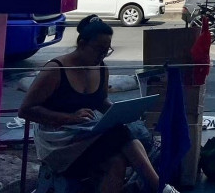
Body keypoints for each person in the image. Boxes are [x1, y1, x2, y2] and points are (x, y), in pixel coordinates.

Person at [19, 15, 178, 193]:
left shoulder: (101, 68)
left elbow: (101, 101)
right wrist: (69, 118)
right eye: (98, 50)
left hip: (85, 134)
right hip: (58, 142)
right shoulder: (56, 70)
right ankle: (160, 187)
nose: (102, 55)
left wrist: (121, 112)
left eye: (106, 51)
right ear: (82, 44)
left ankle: (159, 186)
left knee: (118, 159)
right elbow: (26, 110)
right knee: (120, 133)